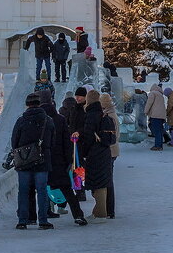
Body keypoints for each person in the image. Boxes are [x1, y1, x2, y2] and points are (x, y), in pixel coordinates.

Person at [11, 93, 55, 230]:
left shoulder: (21, 121)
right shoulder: (48, 120)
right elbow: (53, 141)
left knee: (23, 190)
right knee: (41, 190)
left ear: (27, 104)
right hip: (43, 160)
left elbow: (14, 141)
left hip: (24, 160)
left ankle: (23, 220)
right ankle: (43, 220)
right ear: (39, 103)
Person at [41, 93, 86, 225]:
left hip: (44, 161)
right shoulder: (60, 120)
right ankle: (78, 215)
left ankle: (47, 211)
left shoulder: (42, 121)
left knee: (44, 188)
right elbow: (67, 144)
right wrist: (69, 161)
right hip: (60, 162)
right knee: (68, 191)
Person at [80, 89, 116, 222]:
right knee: (103, 182)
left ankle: (100, 213)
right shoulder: (102, 114)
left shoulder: (91, 115)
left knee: (97, 183)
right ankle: (101, 211)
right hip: (105, 151)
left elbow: (88, 136)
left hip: (95, 153)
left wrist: (84, 152)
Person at [100, 92, 121, 218]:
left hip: (110, 150)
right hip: (112, 150)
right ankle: (109, 209)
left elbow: (113, 136)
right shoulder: (111, 114)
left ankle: (109, 209)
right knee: (108, 180)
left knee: (108, 181)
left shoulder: (110, 117)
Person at [144, 83, 167, 150]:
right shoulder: (160, 95)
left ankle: (157, 146)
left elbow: (149, 103)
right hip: (161, 115)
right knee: (159, 131)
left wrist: (145, 111)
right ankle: (160, 145)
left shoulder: (152, 93)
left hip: (155, 115)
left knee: (156, 131)